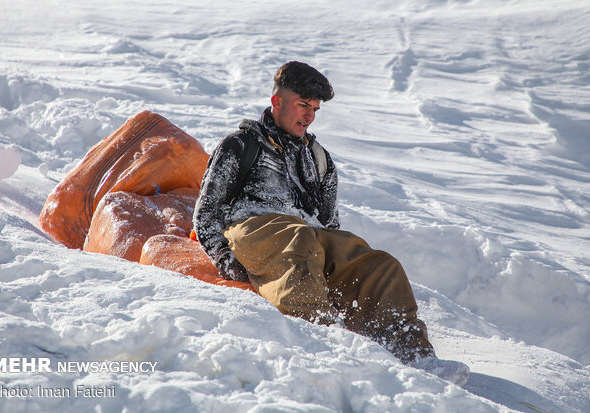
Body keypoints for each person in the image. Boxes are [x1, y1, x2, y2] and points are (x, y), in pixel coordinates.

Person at [193, 61, 470, 385]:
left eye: (315, 108)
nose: (309, 115)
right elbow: (205, 212)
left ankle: (414, 355)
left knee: (382, 265)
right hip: (255, 227)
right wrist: (228, 263)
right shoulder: (241, 145)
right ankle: (323, 345)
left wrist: (340, 264)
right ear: (277, 102)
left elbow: (329, 226)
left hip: (308, 236)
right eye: (302, 105)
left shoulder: (319, 159)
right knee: (299, 239)